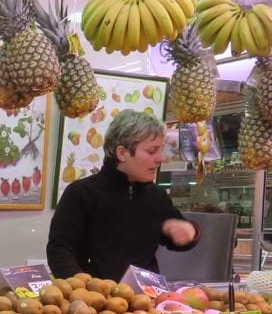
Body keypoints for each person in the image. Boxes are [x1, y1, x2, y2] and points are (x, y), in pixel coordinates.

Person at [47, 109, 200, 281]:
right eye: (152, 151)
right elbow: (60, 250)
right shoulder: (81, 193)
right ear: (122, 153)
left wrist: (188, 233)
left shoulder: (157, 196)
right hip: (95, 295)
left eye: (161, 149)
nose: (161, 158)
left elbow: (176, 240)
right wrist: (82, 287)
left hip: (147, 294)